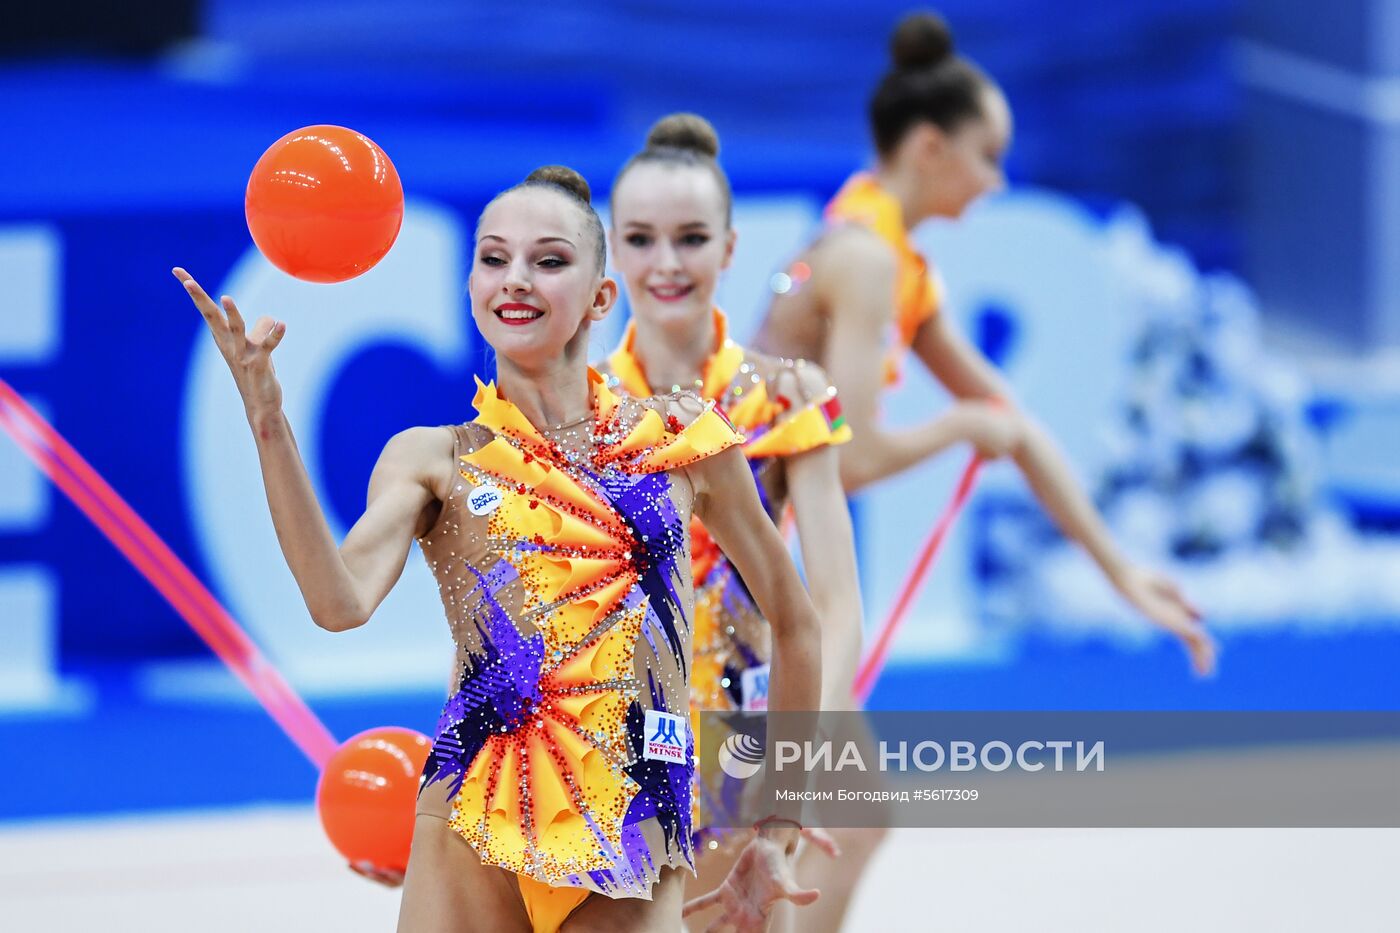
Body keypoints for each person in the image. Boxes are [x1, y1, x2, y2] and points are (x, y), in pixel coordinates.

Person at [172, 163, 822, 933]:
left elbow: (796, 620)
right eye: (493, 258)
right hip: (472, 814)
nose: (515, 279)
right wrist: (270, 423)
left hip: (634, 820)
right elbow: (336, 602)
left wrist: (778, 824)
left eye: (548, 260)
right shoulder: (434, 457)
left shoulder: (682, 440)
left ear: (601, 297)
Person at [754, 10, 1217, 678]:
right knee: (805, 775)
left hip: (765, 553)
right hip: (733, 561)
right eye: (989, 156)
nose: (997, 182)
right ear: (930, 148)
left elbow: (1014, 425)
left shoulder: (890, 256)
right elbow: (848, 460)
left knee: (837, 776)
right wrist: (957, 427)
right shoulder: (867, 259)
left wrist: (1121, 571)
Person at [599, 113, 868, 933]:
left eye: (691, 238)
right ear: (611, 250)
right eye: (641, 239)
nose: (667, 263)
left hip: (745, 745)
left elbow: (834, 604)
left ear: (729, 247)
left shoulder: (784, 395)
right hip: (613, 747)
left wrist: (802, 753)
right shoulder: (582, 408)